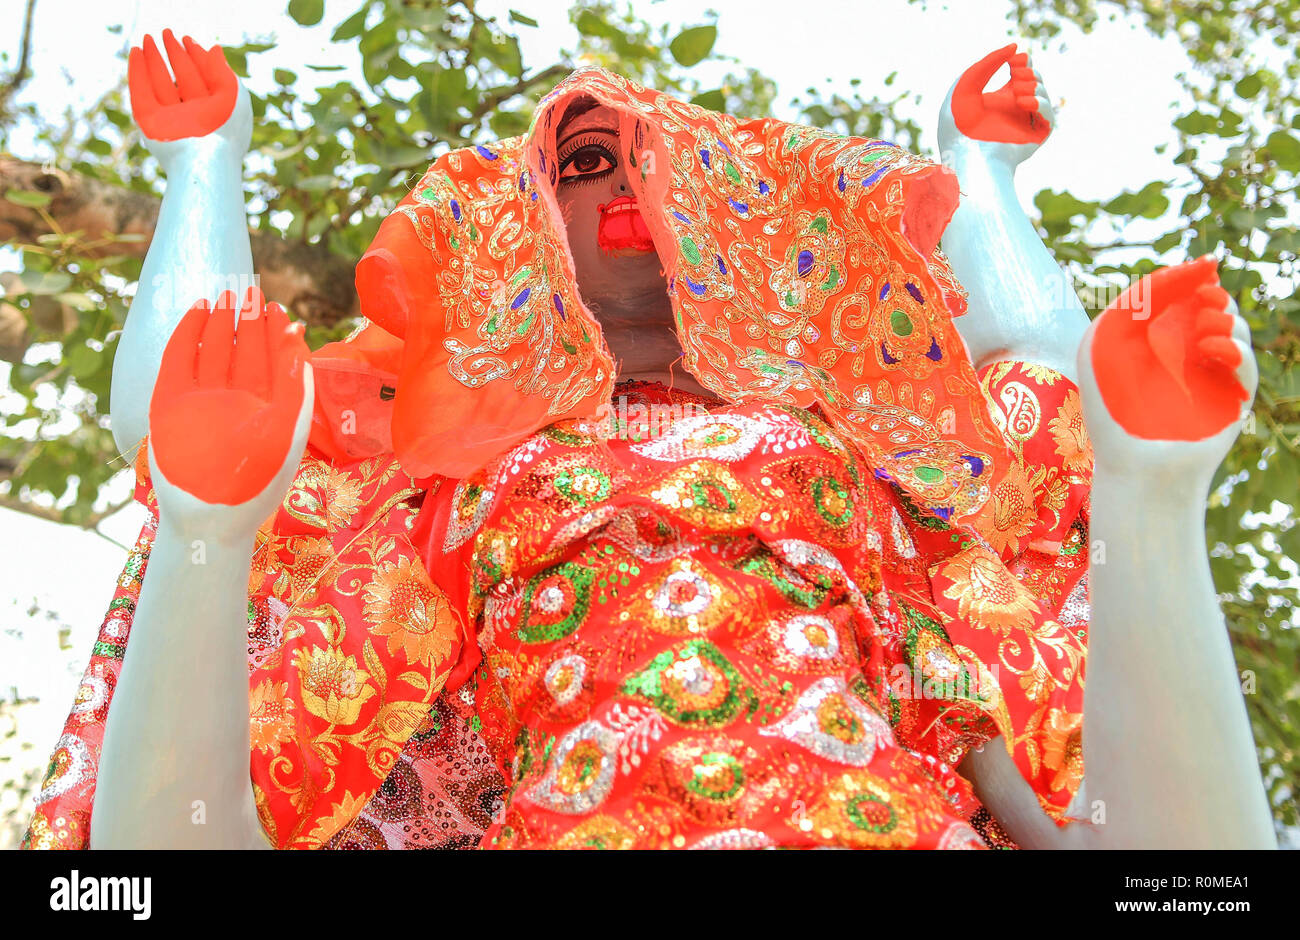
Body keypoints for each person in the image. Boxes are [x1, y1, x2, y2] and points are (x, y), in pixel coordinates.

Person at [25, 32, 1274, 850]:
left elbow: (1160, 869)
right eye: (578, 160)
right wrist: (206, 518)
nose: (626, 176)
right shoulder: (442, 488)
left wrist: (1148, 497)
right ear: (519, 226)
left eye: (670, 160)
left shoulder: (862, 472)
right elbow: (172, 851)